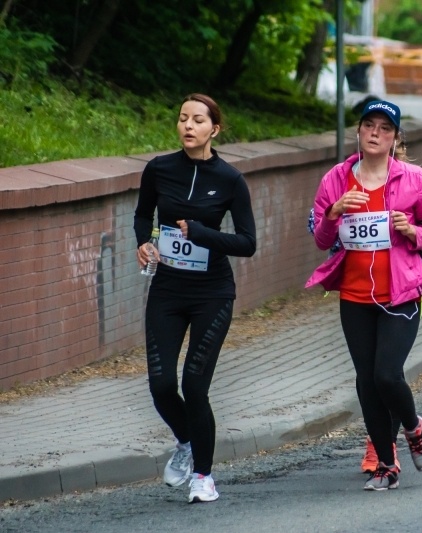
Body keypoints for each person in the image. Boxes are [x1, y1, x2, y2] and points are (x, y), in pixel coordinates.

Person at [306, 99, 422, 491]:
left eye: (385, 128)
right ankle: (386, 464)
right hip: (354, 295)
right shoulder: (336, 178)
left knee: (387, 374)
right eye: (369, 125)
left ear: (395, 138)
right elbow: (320, 239)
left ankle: (414, 428)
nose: (375, 133)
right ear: (359, 131)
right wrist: (333, 213)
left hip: (402, 291)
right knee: (366, 382)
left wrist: (412, 231)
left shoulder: (414, 179)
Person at [133, 93, 257, 503]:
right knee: (162, 383)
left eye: (198, 120)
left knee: (196, 385)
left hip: (212, 293)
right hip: (167, 290)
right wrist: (143, 243)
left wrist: (201, 233)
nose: (188, 125)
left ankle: (204, 476)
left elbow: (247, 242)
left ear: (214, 129)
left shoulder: (230, 180)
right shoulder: (159, 169)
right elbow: (142, 214)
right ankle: (185, 441)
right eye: (183, 118)